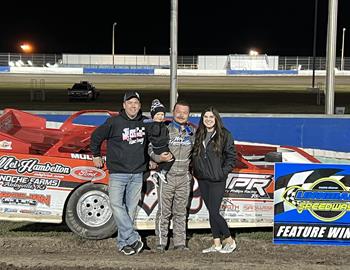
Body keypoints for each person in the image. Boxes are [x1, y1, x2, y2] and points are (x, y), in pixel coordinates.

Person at [90, 90, 147, 256]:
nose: (133, 105)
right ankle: (133, 237)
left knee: (130, 210)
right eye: (130, 103)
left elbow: (151, 143)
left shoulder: (145, 123)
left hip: (137, 174)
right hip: (117, 173)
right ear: (124, 105)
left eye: (136, 103)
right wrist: (96, 155)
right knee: (116, 205)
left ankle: (123, 244)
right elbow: (95, 137)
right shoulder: (113, 122)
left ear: (139, 106)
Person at [149, 100, 195, 252]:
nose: (181, 115)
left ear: (189, 115)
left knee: (181, 212)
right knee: (164, 211)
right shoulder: (165, 129)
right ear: (173, 112)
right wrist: (158, 159)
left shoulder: (192, 132)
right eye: (179, 112)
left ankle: (180, 243)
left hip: (184, 177)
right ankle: (161, 243)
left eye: (185, 112)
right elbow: (151, 148)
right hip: (167, 176)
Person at [192, 106, 237, 254]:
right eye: (206, 117)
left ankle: (229, 240)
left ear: (216, 118)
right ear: (202, 119)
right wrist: (196, 170)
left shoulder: (224, 134)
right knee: (211, 212)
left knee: (214, 211)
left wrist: (222, 173)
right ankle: (216, 243)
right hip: (203, 178)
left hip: (217, 179)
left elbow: (231, 157)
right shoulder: (199, 133)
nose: (208, 120)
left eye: (211, 117)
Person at [148, 99, 175, 185]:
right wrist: (157, 124)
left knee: (167, 160)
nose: (160, 116)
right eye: (158, 114)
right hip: (159, 147)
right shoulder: (155, 125)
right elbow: (155, 134)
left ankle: (157, 174)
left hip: (162, 146)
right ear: (153, 116)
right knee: (171, 159)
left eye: (162, 114)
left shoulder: (162, 124)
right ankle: (162, 172)